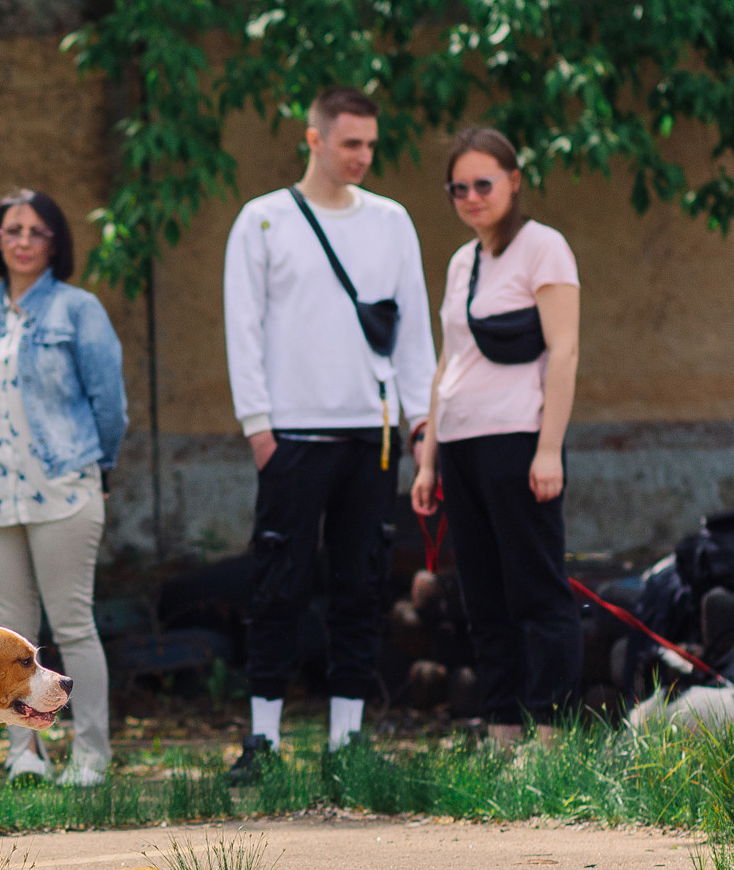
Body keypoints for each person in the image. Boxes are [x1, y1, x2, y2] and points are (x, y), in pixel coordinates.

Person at [222, 86, 435, 776]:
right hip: (291, 434)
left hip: (370, 435)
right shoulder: (263, 220)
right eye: (350, 143)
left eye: (371, 144)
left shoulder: (392, 222)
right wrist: (259, 426)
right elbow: (242, 328)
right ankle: (263, 739)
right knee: (277, 581)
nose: (363, 156)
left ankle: (348, 736)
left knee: (361, 582)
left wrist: (420, 422)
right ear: (313, 139)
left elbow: (413, 332)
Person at [411, 127, 582, 745]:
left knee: (536, 589)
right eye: (459, 188)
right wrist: (428, 462)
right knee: (483, 595)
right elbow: (446, 364)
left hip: (520, 439)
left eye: (484, 184)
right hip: (459, 443)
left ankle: (552, 735)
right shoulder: (464, 262)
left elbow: (563, 353)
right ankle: (505, 728)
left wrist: (548, 448)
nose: (472, 197)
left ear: (514, 180)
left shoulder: (545, 248)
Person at [0, 188, 127, 786]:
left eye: (37, 232)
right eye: (13, 230)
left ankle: (91, 756)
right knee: (8, 633)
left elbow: (110, 404)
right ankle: (24, 752)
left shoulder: (79, 310)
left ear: (54, 243)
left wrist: (96, 469)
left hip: (65, 487)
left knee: (73, 621)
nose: (24, 241)